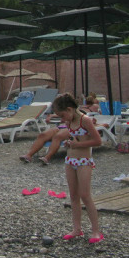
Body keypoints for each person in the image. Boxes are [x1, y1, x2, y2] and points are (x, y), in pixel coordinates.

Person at [52, 93, 103, 243]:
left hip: (84, 161)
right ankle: (77, 228)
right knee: (74, 196)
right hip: (70, 160)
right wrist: (70, 143)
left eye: (62, 115)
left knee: (85, 195)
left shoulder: (85, 120)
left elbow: (97, 141)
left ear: (69, 109)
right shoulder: (69, 122)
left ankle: (96, 231)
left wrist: (77, 145)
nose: (62, 119)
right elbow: (75, 138)